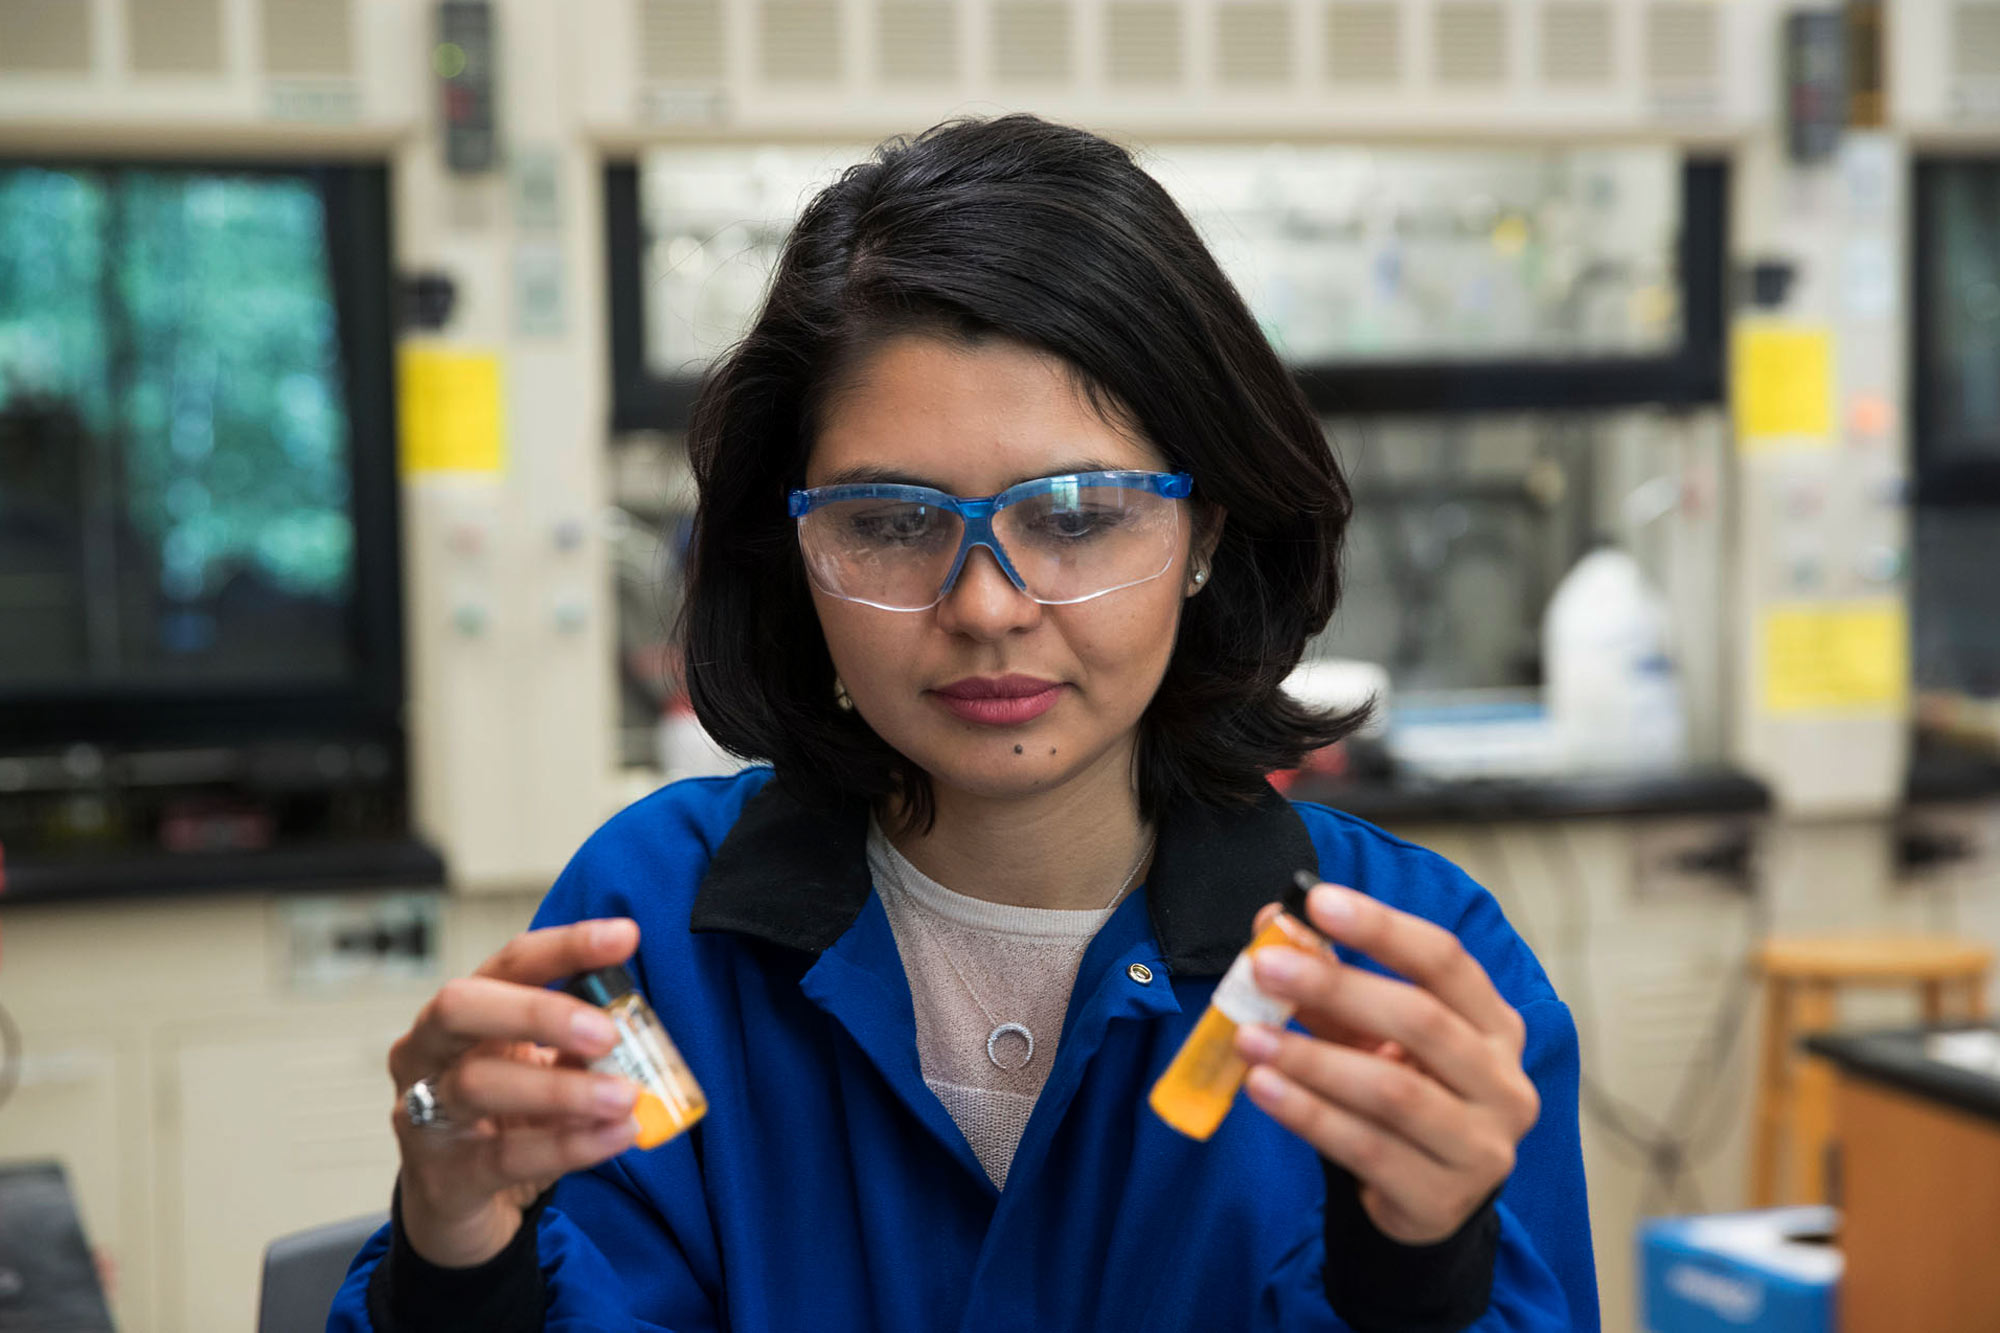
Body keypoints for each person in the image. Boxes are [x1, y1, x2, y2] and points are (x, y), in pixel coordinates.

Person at [329, 114, 1596, 1332]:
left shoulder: (1410, 981)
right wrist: (455, 1264)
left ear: (1205, 530)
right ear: (793, 553)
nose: (987, 606)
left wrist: (1417, 1280)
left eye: (1080, 512)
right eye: (889, 520)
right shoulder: (650, 933)